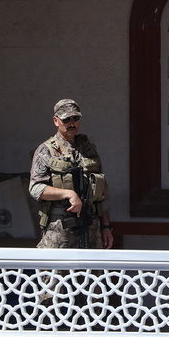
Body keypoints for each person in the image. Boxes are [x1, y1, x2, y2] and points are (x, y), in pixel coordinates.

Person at [29, 99, 114, 249]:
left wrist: (106, 227)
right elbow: (36, 188)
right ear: (56, 121)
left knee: (92, 272)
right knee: (56, 272)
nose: (72, 123)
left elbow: (101, 194)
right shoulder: (46, 150)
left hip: (90, 226)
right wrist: (68, 194)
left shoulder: (88, 149)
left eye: (76, 118)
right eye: (66, 119)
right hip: (61, 229)